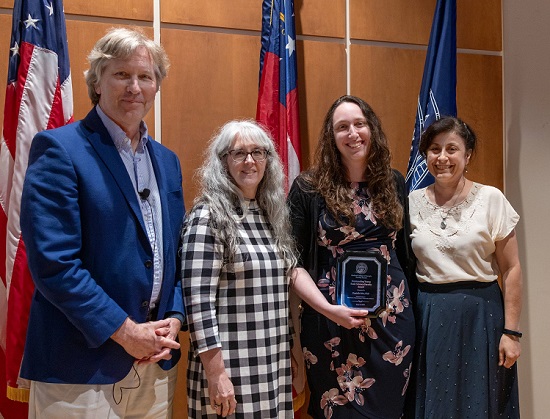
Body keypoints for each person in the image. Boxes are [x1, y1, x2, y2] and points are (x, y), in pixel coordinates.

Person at [19, 27, 185, 418]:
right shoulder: (60, 149)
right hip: (80, 367)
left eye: (145, 76)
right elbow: (55, 265)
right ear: (97, 81)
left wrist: (174, 320)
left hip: (155, 364)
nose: (134, 87)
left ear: (157, 86)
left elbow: (176, 253)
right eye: (121, 74)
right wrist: (127, 334)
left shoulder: (167, 161)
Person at [181, 120, 368, 418]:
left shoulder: (270, 214)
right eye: (239, 153)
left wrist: (328, 311)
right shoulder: (209, 215)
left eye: (259, 152)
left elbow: (289, 274)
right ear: (222, 161)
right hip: (231, 369)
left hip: (272, 364)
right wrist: (216, 375)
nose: (250, 161)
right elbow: (198, 306)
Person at [287, 95, 416, 419]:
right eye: (342, 127)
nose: (352, 133)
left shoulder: (393, 181)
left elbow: (404, 254)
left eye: (359, 124)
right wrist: (329, 310)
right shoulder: (308, 188)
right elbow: (291, 264)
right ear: (331, 136)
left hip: (391, 325)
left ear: (371, 128)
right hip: (328, 321)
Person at [408, 116, 522, 418]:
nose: (442, 157)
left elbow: (511, 269)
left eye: (452, 149)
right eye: (434, 149)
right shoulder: (410, 203)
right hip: (428, 316)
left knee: (479, 404)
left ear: (467, 155)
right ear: (425, 155)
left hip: (481, 316)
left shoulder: (491, 199)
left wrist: (511, 333)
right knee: (434, 403)